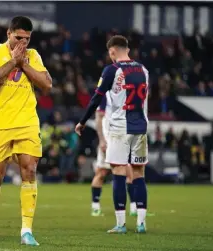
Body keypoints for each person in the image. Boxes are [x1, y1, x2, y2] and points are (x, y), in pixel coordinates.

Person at [0, 16, 52, 246]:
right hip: (0, 123)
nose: (23, 43)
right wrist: (13, 62)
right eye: (18, 37)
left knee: (29, 170)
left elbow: (47, 84)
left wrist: (24, 63)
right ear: (8, 33)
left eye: (27, 39)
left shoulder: (33, 55)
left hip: (27, 122)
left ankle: (26, 231)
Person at [75, 35, 149, 234]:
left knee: (118, 172)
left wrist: (82, 121)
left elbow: (96, 99)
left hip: (119, 128)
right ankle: (141, 223)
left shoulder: (112, 70)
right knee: (139, 173)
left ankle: (121, 224)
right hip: (140, 127)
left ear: (112, 51)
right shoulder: (144, 70)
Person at [91, 96, 137, 217]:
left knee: (129, 173)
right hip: (108, 141)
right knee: (102, 173)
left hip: (119, 139)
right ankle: (95, 206)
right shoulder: (105, 96)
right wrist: (102, 140)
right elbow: (99, 118)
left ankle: (133, 207)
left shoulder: (122, 95)